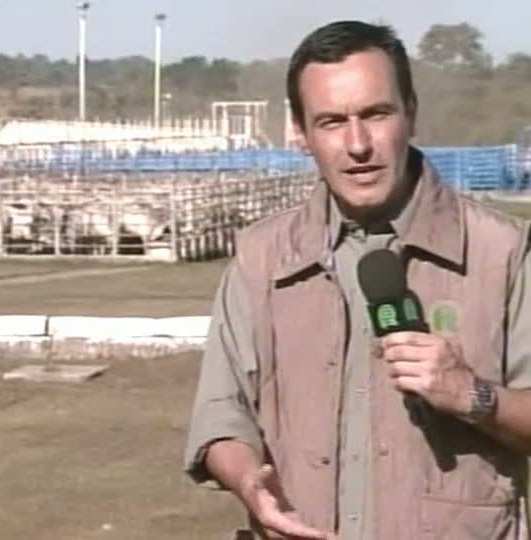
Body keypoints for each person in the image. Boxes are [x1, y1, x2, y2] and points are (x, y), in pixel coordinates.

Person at [184, 20, 531, 540]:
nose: (358, 144)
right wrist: (248, 483)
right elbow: (220, 413)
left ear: (411, 113)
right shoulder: (261, 258)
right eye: (331, 122)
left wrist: (473, 395)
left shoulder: (502, 252)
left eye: (376, 113)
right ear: (299, 134)